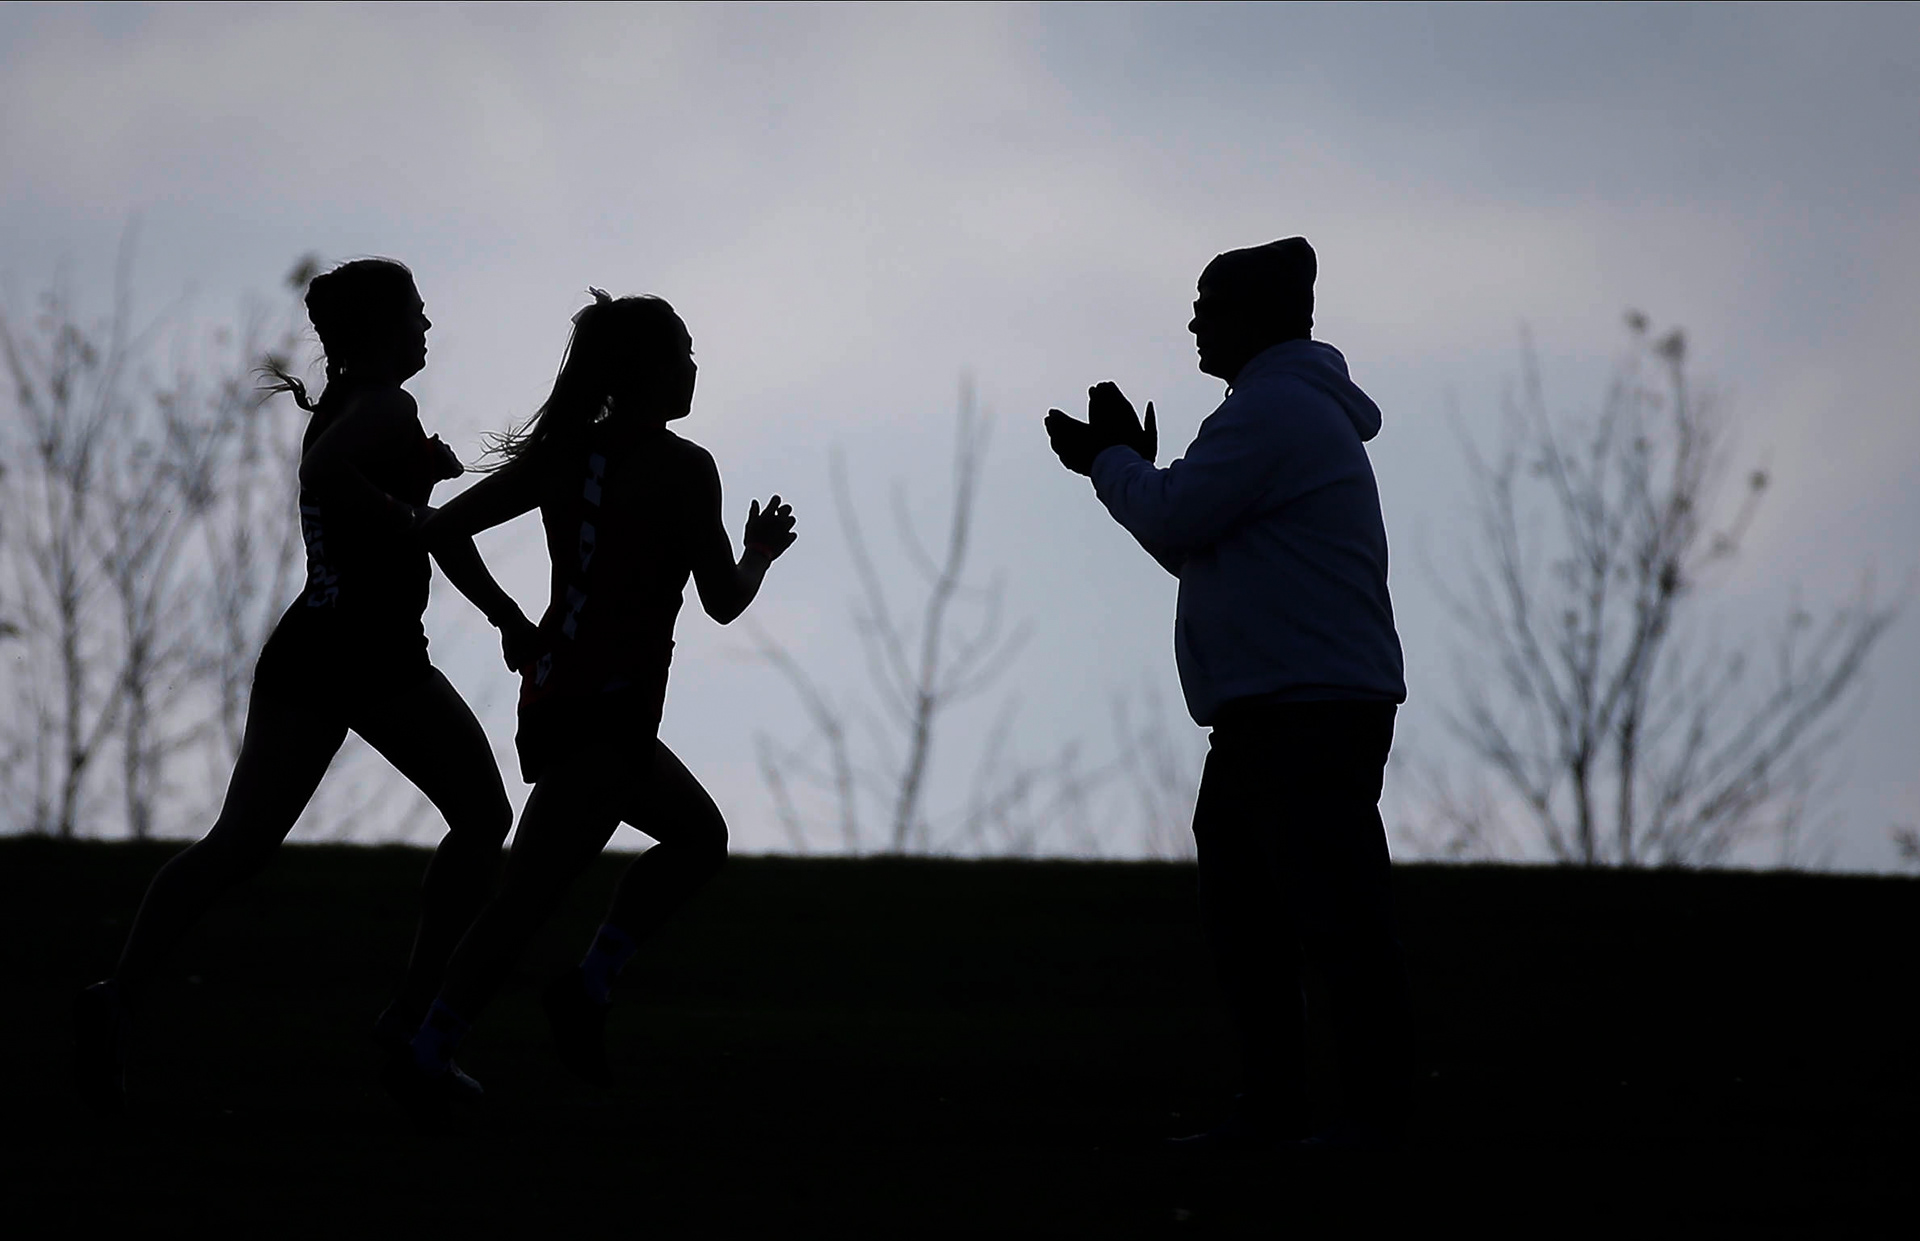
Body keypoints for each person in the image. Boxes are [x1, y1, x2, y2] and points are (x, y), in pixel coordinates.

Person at [73, 258, 540, 1114]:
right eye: (416, 315)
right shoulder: (385, 409)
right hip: (368, 653)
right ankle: (410, 1020)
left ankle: (116, 996)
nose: (428, 329)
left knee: (237, 845)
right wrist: (419, 515)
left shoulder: (356, 408)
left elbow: (421, 527)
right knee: (483, 815)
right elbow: (338, 487)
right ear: (378, 330)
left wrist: (495, 602)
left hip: (310, 648)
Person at [1045, 237, 1413, 1148]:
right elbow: (1189, 537)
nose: (1195, 320)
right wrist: (1128, 467)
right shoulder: (1278, 410)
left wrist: (1113, 462)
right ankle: (1284, 1113)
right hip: (1283, 708)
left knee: (1325, 921)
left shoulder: (1272, 410)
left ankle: (1366, 1119)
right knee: (1260, 924)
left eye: (1210, 301)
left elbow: (1173, 517)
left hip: (1300, 711)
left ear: (1257, 314)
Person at [388, 290, 795, 1100]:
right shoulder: (684, 467)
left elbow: (440, 529)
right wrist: (759, 553)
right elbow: (723, 599)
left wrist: (510, 621)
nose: (692, 365)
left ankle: (553, 998)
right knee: (533, 894)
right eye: (681, 350)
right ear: (644, 369)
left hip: (558, 700)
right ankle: (434, 1047)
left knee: (682, 840)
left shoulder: (567, 454)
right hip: (609, 709)